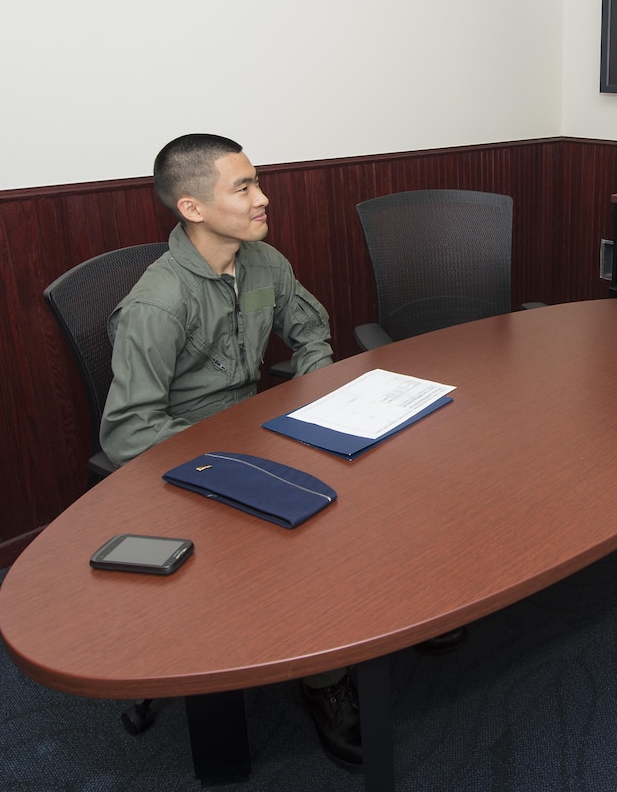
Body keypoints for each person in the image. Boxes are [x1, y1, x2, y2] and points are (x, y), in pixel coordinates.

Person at [99, 133, 359, 770]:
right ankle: (325, 680)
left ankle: (368, 635)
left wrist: (315, 397)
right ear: (192, 208)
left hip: (261, 429)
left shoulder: (263, 264)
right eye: (244, 188)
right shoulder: (159, 303)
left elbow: (311, 332)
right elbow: (127, 431)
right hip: (190, 453)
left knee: (363, 490)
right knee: (309, 536)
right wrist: (233, 452)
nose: (263, 198)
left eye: (257, 182)